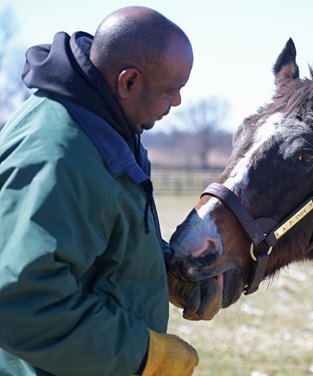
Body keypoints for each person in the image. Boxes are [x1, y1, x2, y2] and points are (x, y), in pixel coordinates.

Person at [0, 6, 222, 376]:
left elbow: (101, 239)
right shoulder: (58, 154)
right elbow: (21, 301)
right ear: (128, 82)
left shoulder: (106, 124)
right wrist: (144, 356)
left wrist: (167, 271)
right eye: (171, 90)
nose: (178, 102)